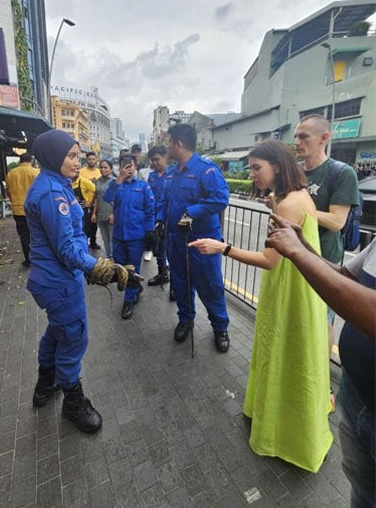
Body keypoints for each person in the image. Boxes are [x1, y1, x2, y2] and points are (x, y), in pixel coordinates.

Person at [190, 140, 332, 472]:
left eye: (256, 168)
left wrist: (222, 247)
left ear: (277, 166)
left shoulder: (289, 205)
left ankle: (283, 433)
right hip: (300, 287)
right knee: (294, 355)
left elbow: (269, 261)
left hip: (288, 291)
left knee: (283, 353)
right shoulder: (299, 197)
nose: (251, 174)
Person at [24, 129, 139, 432]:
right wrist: (105, 268)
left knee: (57, 332)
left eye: (78, 156)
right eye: (72, 156)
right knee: (73, 338)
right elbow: (66, 249)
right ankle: (73, 403)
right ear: (53, 156)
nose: (78, 162)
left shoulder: (57, 185)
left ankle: (44, 386)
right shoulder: (51, 193)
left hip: (53, 280)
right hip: (59, 282)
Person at [267, 214, 374, 505]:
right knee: (363, 489)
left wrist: (298, 252)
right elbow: (345, 277)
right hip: (358, 395)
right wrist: (304, 248)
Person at [160, 123, 231, 352]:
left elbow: (220, 199)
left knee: (210, 286)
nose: (167, 146)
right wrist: (160, 221)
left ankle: (220, 327)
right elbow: (165, 201)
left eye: (169, 142)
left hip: (202, 241)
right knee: (181, 283)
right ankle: (186, 319)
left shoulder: (206, 170)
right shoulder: (171, 173)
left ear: (178, 144)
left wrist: (191, 212)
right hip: (176, 241)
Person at [293, 114, 360, 358]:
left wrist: (302, 208)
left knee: (323, 320)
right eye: (296, 137)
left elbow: (336, 221)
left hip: (325, 260)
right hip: (294, 255)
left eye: (303, 136)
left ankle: (322, 379)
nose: (297, 142)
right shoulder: (296, 172)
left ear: (324, 138)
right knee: (297, 317)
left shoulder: (341, 173)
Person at [103, 155, 154, 319]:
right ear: (119, 167)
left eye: (130, 165)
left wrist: (149, 232)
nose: (128, 168)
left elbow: (150, 211)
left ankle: (128, 301)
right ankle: (136, 288)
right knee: (120, 269)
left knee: (132, 270)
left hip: (136, 237)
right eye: (124, 165)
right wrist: (119, 179)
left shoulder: (143, 187)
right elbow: (107, 198)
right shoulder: (115, 185)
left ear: (135, 166)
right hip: (118, 235)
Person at [5, 153, 40, 265]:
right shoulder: (35, 172)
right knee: (36, 234)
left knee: (24, 236)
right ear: (30, 160)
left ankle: (28, 259)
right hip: (33, 210)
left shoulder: (11, 173)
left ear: (20, 161)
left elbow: (8, 191)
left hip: (18, 209)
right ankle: (39, 258)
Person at [146, 145, 172, 290]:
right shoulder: (152, 176)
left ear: (165, 157)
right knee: (159, 248)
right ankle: (162, 273)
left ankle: (175, 282)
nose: (155, 163)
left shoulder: (173, 174)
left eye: (157, 159)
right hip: (155, 217)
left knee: (172, 249)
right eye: (153, 160)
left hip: (170, 218)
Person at [91, 159, 115, 259]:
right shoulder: (97, 181)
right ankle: (109, 258)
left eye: (106, 167)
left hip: (111, 215)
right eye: (101, 167)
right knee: (105, 239)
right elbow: (96, 198)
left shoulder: (114, 181)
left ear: (111, 169)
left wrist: (114, 214)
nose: (103, 169)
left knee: (112, 239)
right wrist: (94, 213)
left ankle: (115, 260)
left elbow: (119, 199)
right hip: (100, 214)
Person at [78, 151, 102, 250]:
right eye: (89, 159)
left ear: (96, 160)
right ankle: (83, 243)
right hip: (83, 203)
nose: (91, 161)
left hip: (96, 202)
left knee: (94, 224)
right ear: (86, 160)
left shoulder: (100, 171)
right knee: (83, 224)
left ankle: (93, 241)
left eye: (93, 159)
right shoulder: (81, 172)